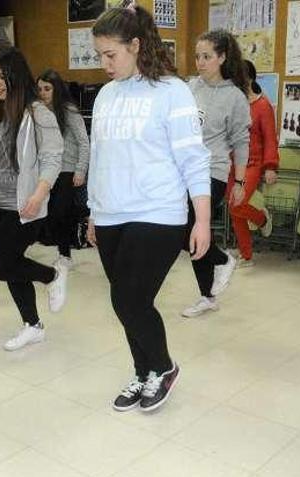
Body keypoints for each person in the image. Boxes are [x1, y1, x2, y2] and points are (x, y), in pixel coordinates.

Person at [89, 4, 211, 412]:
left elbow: (194, 159)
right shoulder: (106, 96)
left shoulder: (172, 91)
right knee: (127, 301)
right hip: (110, 214)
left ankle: (163, 366)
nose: (104, 64)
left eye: (111, 55)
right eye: (100, 56)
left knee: (129, 300)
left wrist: (203, 221)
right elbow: (98, 158)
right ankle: (143, 372)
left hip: (157, 212)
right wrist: (93, 211)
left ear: (136, 45)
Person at [0, 47, 68, 352]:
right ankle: (33, 325)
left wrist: (39, 194)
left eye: (2, 77)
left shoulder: (38, 112)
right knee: (9, 264)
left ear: (17, 77)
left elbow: (53, 158)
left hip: (25, 204)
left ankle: (52, 275)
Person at [181, 29, 251, 318]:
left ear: (222, 57)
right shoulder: (189, 87)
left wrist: (240, 181)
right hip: (183, 170)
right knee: (194, 233)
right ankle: (207, 295)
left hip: (213, 172)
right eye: (197, 56)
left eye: (207, 56)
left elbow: (241, 142)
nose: (200, 62)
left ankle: (222, 259)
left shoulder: (234, 97)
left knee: (185, 228)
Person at [37, 68, 90, 267]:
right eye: (40, 89)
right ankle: (63, 252)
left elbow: (84, 142)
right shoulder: (38, 112)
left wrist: (81, 169)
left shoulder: (69, 110)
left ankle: (65, 254)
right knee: (52, 214)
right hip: (47, 171)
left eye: (47, 89)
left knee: (61, 212)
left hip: (68, 169)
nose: (43, 93)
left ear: (57, 89)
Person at [228, 59, 278, 267]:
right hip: (232, 163)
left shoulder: (263, 105)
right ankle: (246, 255)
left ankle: (262, 220)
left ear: (247, 78)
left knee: (237, 204)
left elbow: (270, 138)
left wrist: (270, 166)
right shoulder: (234, 104)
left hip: (253, 163)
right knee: (234, 210)